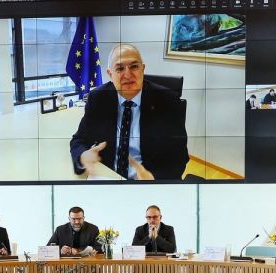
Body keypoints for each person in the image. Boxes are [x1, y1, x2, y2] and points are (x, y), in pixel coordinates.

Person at [69, 43, 189, 181]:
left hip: (148, 181)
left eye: (134, 66)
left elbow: (179, 156)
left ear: (142, 69)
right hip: (108, 177)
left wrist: (155, 178)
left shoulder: (167, 100)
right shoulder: (98, 98)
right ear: (110, 74)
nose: (127, 75)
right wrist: (83, 156)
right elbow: (79, 139)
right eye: (120, 68)